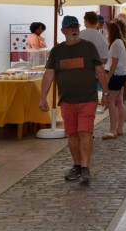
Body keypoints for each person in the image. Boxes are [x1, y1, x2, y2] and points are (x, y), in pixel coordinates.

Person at [39, 16, 108, 186]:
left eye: (76, 26)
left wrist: (105, 92)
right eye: (70, 27)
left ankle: (85, 168)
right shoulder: (57, 51)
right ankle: (77, 165)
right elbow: (49, 75)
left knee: (85, 132)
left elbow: (100, 70)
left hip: (88, 98)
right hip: (67, 99)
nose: (74, 30)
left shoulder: (89, 47)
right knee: (73, 134)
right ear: (63, 31)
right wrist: (42, 97)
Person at [102, 20, 126, 139]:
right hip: (121, 74)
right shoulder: (119, 42)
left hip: (117, 74)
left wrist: (107, 78)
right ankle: (119, 128)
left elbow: (114, 63)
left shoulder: (116, 43)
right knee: (119, 101)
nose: (106, 33)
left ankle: (113, 129)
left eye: (107, 31)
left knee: (111, 102)